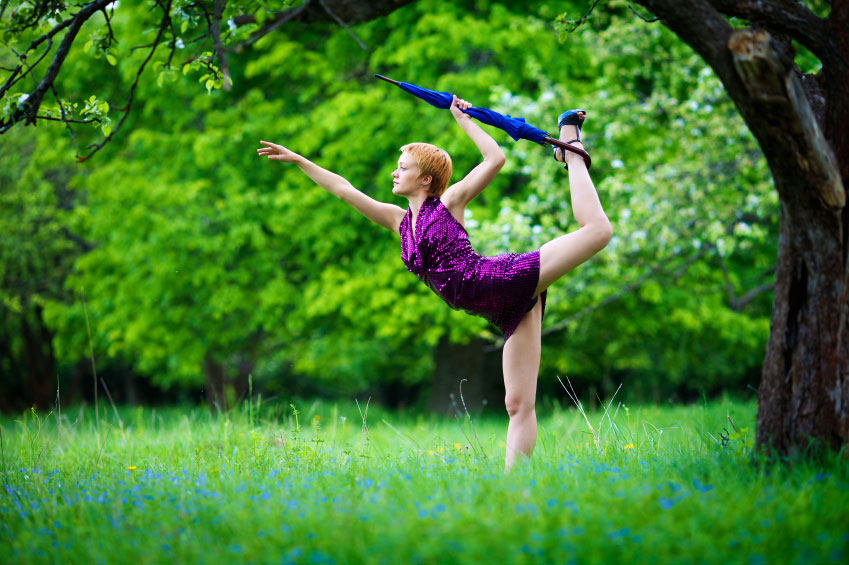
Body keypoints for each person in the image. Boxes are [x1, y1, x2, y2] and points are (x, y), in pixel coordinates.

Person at [257, 95, 611, 470]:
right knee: (517, 404)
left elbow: (495, 159)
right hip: (500, 310)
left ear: (425, 179)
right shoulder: (398, 222)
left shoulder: (449, 204)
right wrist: (299, 160)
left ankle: (570, 150)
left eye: (402, 167)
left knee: (598, 231)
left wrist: (462, 118)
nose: (394, 173)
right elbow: (344, 190)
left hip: (503, 280)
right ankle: (515, 488)